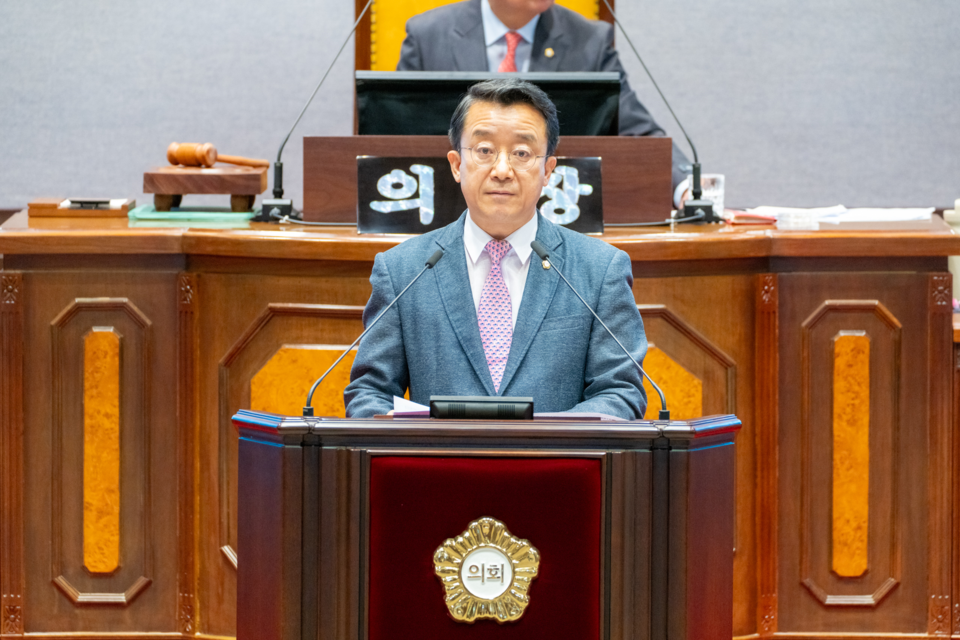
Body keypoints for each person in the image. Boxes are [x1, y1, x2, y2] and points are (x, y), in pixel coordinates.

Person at [344, 78, 647, 419]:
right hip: (437, 467)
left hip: (556, 468)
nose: (502, 170)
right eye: (485, 151)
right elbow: (370, 392)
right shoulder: (403, 270)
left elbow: (620, 392)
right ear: (457, 164)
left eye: (521, 153)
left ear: (548, 170)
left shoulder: (599, 269)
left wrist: (552, 441)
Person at [396, 0, 693, 201]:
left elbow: (636, 129)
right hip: (446, 210)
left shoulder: (588, 39)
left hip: (556, 212)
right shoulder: (427, 35)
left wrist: (687, 186)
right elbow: (393, 134)